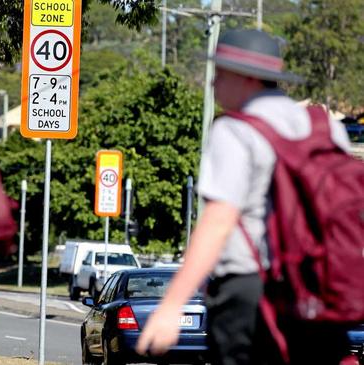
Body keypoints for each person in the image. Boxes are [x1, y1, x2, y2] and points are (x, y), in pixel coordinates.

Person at [134, 29, 352, 365]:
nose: (213, 84)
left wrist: (172, 305)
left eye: (219, 75)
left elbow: (218, 222)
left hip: (251, 297)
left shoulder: (235, 130)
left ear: (247, 78)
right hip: (319, 290)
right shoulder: (327, 128)